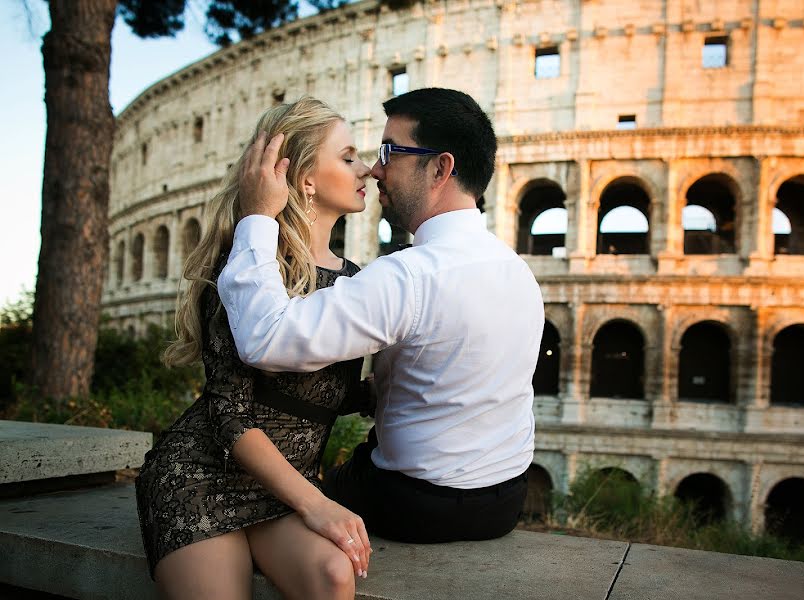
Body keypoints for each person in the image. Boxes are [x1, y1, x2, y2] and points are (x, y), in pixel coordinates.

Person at [219, 88, 545, 543]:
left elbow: (264, 339)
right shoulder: (519, 272)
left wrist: (256, 216)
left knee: (286, 504)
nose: (375, 169)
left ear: (440, 168)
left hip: (413, 504)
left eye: (390, 153)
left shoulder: (408, 275)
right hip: (505, 501)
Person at [135, 96, 373, 600]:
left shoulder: (355, 280)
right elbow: (231, 415)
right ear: (305, 179)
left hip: (281, 489)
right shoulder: (244, 268)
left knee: (334, 575)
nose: (368, 169)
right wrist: (317, 503)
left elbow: (328, 393)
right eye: (349, 157)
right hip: (203, 474)